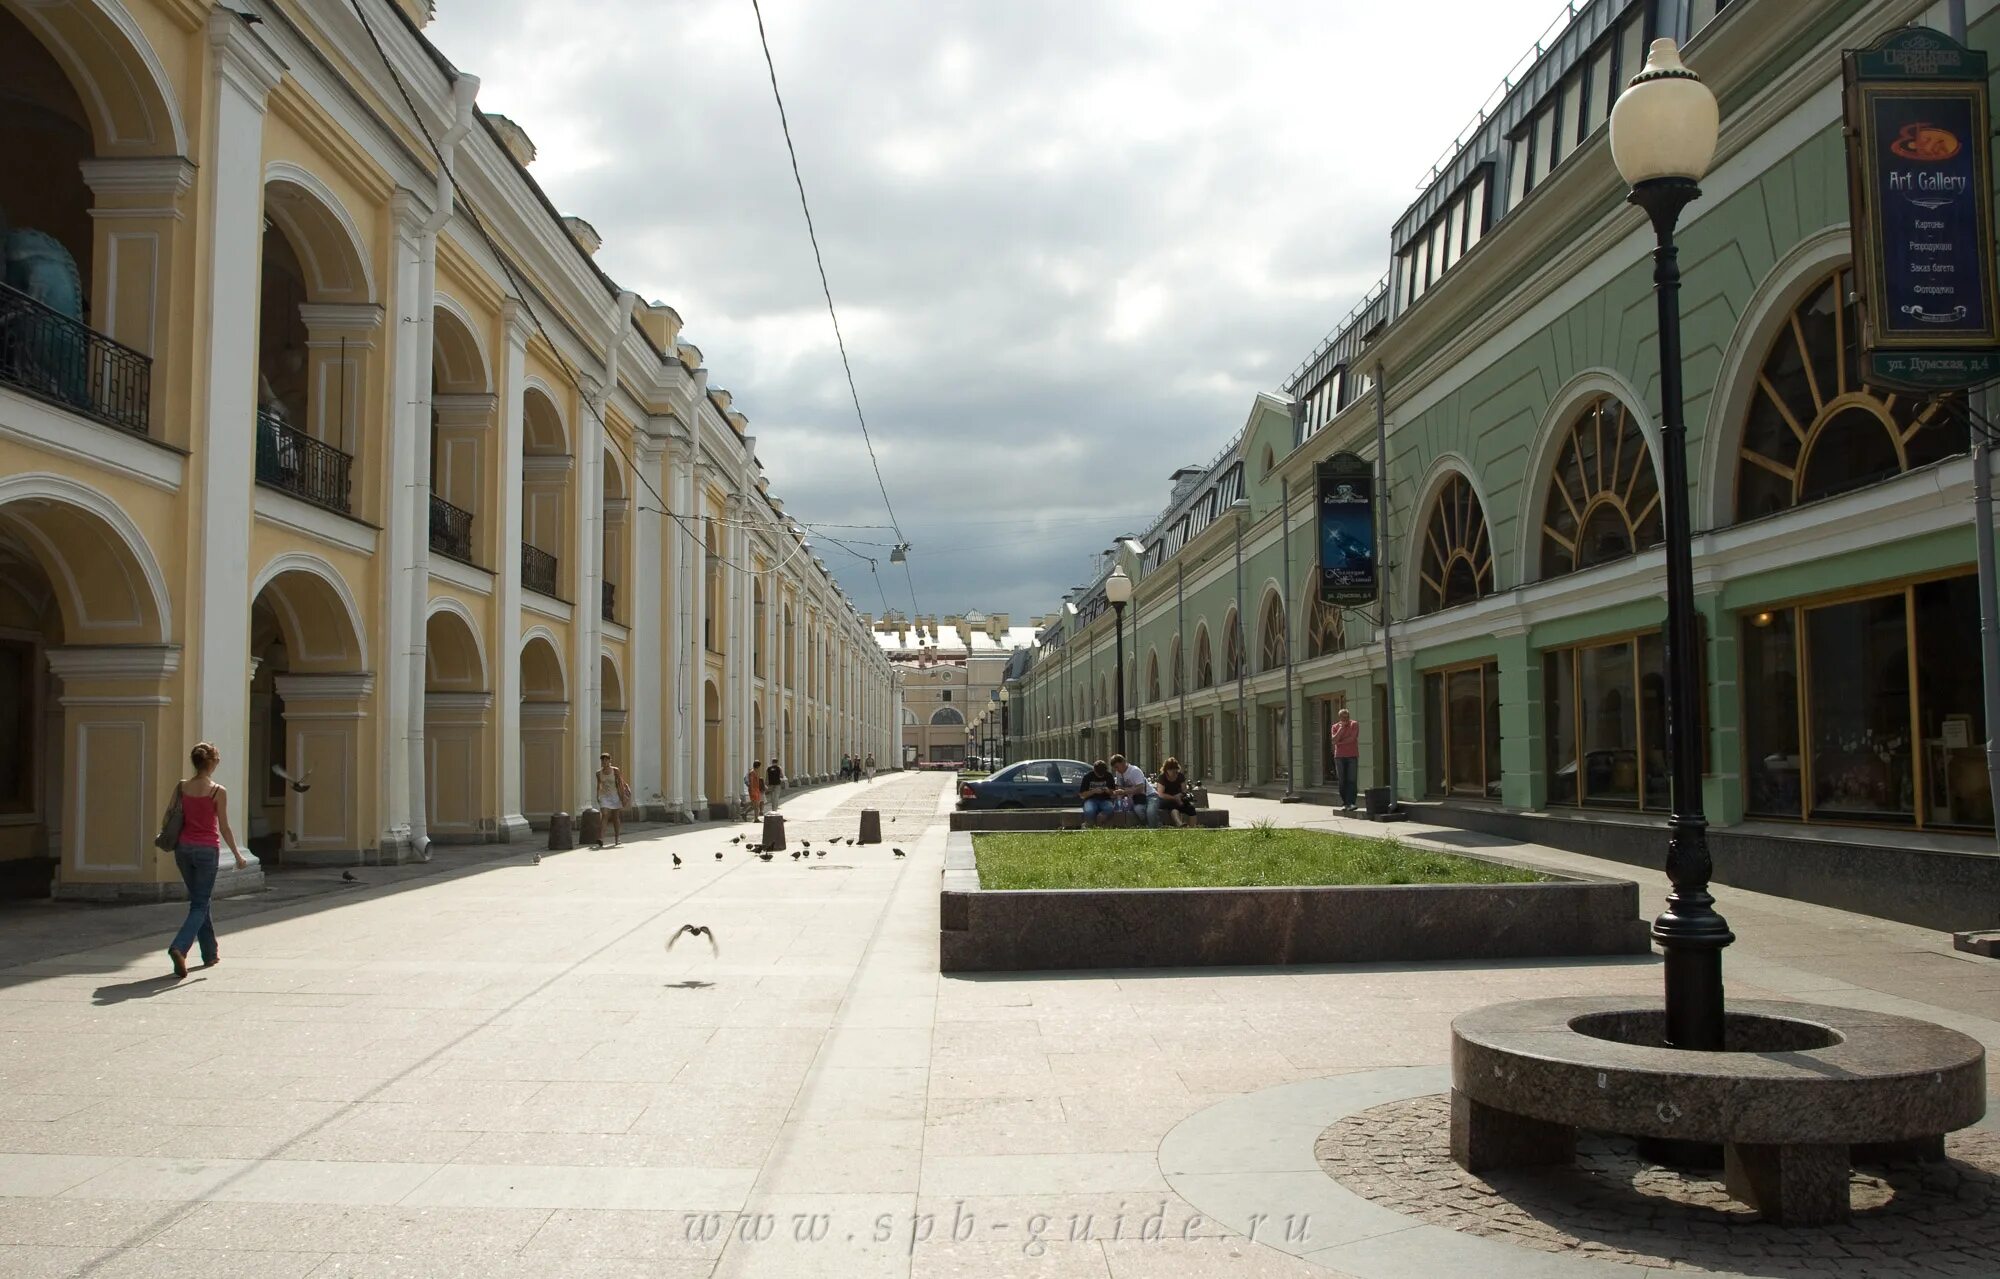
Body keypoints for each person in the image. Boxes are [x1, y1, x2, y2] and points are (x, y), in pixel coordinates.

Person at [166, 741, 246, 978]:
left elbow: (171, 815)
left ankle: (210, 953)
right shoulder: (217, 791)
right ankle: (179, 948)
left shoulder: (181, 787)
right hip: (206, 851)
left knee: (201, 899)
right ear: (211, 762)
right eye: (218, 759)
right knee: (200, 903)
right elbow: (224, 827)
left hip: (183, 850)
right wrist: (237, 854)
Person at [1150, 757, 1198, 828]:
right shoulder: (1162, 777)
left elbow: (1184, 789)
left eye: (1175, 770)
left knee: (1191, 808)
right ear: (1167, 770)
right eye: (1171, 770)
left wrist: (1179, 795)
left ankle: (1192, 827)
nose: (1173, 772)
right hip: (1166, 799)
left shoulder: (1180, 776)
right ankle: (1180, 824)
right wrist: (1174, 798)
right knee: (1173, 806)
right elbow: (1160, 794)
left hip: (1179, 798)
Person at [1330, 707, 1362, 813]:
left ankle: (1352, 802)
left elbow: (1352, 738)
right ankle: (1345, 803)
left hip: (1352, 755)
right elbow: (1334, 740)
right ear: (1339, 717)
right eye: (1343, 716)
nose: (1346, 718)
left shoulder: (1354, 724)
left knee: (1351, 780)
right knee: (1342, 780)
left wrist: (1340, 742)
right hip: (1339, 756)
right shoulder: (1335, 727)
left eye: (1347, 716)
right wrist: (1341, 729)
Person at [595, 752, 629, 847]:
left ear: (610, 761)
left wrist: (623, 797)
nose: (604, 762)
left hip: (615, 796)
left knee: (615, 817)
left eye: (606, 760)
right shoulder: (598, 773)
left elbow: (620, 783)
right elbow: (599, 785)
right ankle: (601, 838)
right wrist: (597, 795)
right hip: (604, 796)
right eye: (603, 760)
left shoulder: (615, 770)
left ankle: (617, 838)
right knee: (605, 815)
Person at [1108, 753, 1150, 824]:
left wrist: (1124, 792)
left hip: (1143, 796)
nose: (1116, 770)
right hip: (1129, 798)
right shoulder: (1118, 773)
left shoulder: (1134, 771)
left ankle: (1148, 825)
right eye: (1114, 768)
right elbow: (1120, 786)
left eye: (1117, 767)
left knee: (1139, 810)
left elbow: (1140, 788)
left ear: (1123, 763)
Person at [1078, 759, 1117, 826]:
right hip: (1091, 800)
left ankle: (1099, 821)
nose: (1100, 776)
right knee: (1089, 811)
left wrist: (1108, 791)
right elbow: (1082, 795)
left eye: (1102, 774)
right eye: (1098, 774)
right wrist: (1093, 791)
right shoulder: (1088, 777)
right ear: (1094, 770)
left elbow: (1114, 792)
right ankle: (1088, 824)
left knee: (1110, 808)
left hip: (1105, 799)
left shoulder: (1109, 776)